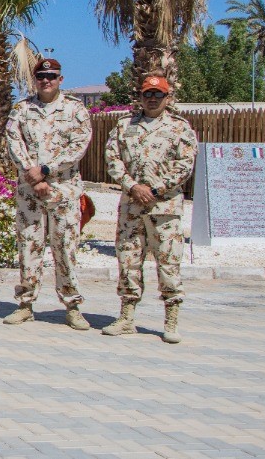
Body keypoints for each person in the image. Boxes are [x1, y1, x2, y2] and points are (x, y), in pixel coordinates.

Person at [102, 74, 198, 344]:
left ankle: (171, 319)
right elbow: (113, 159)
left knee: (168, 264)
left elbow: (185, 165)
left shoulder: (180, 128)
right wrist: (133, 186)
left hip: (164, 208)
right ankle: (127, 317)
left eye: (158, 95)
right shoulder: (124, 125)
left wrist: (155, 190)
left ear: (168, 98)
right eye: (148, 94)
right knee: (128, 262)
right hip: (131, 207)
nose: (152, 99)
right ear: (141, 97)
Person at [3, 57, 94, 330]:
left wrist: (46, 170)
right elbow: (13, 142)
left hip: (63, 190)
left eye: (52, 76)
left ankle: (72, 306)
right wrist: (33, 175)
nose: (46, 81)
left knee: (65, 249)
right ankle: (26, 304)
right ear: (35, 79)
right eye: (42, 77)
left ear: (60, 79)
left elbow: (79, 146)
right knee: (29, 247)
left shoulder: (76, 110)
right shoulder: (22, 109)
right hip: (30, 191)